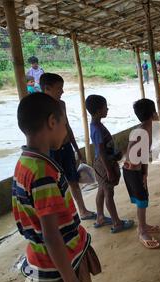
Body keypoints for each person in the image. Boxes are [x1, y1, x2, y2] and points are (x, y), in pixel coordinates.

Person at [12, 93, 101, 282]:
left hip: (38, 261)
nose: (67, 132)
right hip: (58, 270)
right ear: (52, 122)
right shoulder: (43, 173)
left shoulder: (24, 163)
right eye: (65, 123)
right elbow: (51, 234)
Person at [40, 73, 97, 222]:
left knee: (73, 180)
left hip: (66, 148)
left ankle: (82, 210)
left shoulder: (61, 105)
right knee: (57, 185)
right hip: (51, 152)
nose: (62, 92)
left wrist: (78, 150)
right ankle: (64, 216)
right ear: (47, 89)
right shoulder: (40, 108)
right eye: (59, 88)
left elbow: (67, 128)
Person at [85, 95, 134, 233]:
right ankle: (117, 223)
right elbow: (101, 152)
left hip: (104, 161)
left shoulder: (97, 125)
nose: (107, 109)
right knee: (108, 192)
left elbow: (105, 148)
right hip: (103, 163)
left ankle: (100, 217)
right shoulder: (97, 128)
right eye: (105, 107)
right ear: (98, 110)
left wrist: (115, 155)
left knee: (102, 189)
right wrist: (109, 170)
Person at [123, 99, 160, 249]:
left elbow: (144, 155)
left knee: (143, 199)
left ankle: (144, 225)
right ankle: (141, 231)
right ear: (153, 114)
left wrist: (144, 173)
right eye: (156, 111)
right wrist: (142, 173)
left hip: (135, 170)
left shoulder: (145, 128)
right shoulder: (145, 131)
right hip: (133, 171)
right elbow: (140, 156)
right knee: (142, 201)